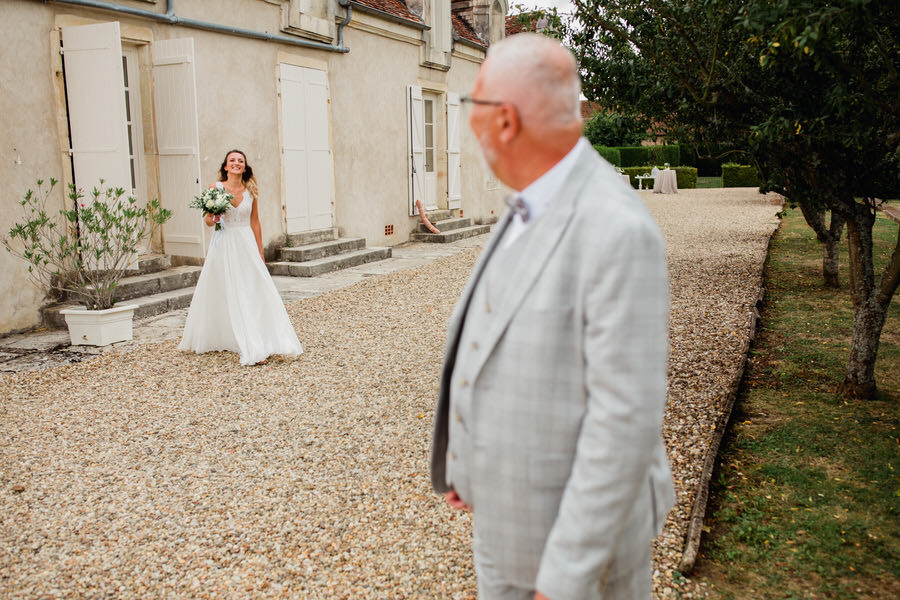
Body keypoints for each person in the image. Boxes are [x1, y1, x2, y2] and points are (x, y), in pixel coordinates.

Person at [430, 34, 675, 600]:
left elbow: (625, 422)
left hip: (567, 558)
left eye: (473, 107)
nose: (470, 124)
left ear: (506, 122)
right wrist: (473, 465)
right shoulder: (531, 200)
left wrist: (565, 579)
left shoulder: (616, 229)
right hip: (510, 524)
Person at [179, 149, 302, 366]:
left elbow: (255, 222)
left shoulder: (250, 191)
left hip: (245, 244)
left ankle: (257, 342)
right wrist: (213, 217)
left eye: (240, 161)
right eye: (232, 160)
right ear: (225, 166)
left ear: (244, 167)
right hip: (224, 244)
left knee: (250, 290)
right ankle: (228, 336)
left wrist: (260, 252)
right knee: (223, 289)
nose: (236, 163)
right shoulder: (215, 189)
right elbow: (208, 221)